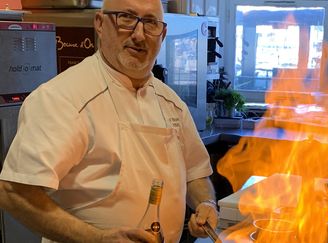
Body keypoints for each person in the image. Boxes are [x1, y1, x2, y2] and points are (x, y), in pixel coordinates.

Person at [0, 0, 218, 242]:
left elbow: (195, 172)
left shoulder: (171, 103)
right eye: (126, 18)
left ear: (163, 33)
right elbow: (14, 192)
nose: (139, 34)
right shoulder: (62, 98)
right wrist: (98, 239)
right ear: (100, 24)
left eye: (150, 23)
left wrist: (206, 202)